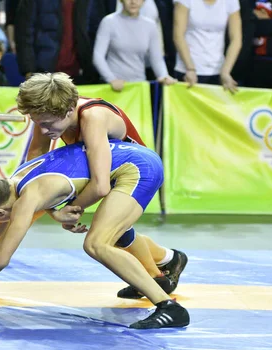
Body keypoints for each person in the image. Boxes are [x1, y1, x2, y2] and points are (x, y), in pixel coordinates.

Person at [0, 140, 191, 330]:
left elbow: (1, 255)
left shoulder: (28, 199)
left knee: (97, 243)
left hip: (137, 169)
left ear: (0, 211)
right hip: (124, 161)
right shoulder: (14, 183)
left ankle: (169, 308)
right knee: (116, 234)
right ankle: (169, 260)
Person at [20, 72, 188, 299]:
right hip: (107, 170)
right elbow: (34, 164)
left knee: (101, 239)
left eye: (46, 123)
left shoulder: (92, 117)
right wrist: (49, 206)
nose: (42, 130)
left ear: (68, 110)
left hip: (134, 173)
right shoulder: (49, 115)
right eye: (37, 122)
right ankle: (168, 260)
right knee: (115, 231)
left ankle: (156, 283)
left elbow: (100, 186)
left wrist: (67, 210)